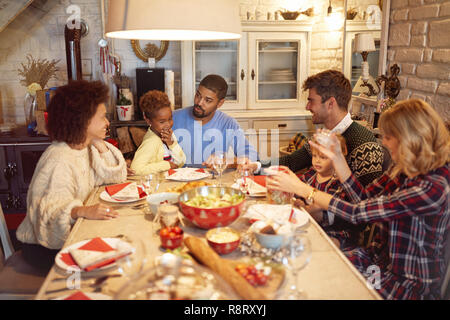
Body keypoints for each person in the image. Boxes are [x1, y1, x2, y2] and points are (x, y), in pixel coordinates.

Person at [266, 99, 450, 299]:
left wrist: (303, 189)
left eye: (388, 136)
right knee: (308, 264)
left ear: (411, 139)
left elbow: (357, 214)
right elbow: (362, 199)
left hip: (405, 283)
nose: (385, 143)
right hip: (376, 262)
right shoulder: (404, 169)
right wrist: (337, 158)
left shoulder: (433, 187)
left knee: (322, 287)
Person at [16, 80, 128, 272]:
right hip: (43, 247)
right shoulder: (59, 159)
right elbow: (47, 214)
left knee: (121, 238)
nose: (107, 123)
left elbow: (116, 177)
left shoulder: (83, 146)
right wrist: (81, 211)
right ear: (83, 120)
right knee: (118, 259)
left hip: (69, 234)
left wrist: (100, 145)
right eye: (102, 117)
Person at [250, 69, 384, 187]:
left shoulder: (365, 146)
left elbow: (366, 203)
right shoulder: (325, 135)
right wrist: (255, 166)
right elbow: (291, 162)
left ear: (331, 103)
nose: (307, 107)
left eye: (311, 100)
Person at [172, 74, 259, 169]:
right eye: (198, 95)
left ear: (220, 103)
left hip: (213, 181)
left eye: (208, 100)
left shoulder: (228, 123)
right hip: (178, 181)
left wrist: (226, 160)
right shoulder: (173, 117)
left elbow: (251, 157)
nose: (199, 103)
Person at [298, 134, 362, 249]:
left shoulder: (339, 182)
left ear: (337, 158)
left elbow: (328, 210)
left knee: (326, 246)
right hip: (311, 224)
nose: (317, 161)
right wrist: (299, 201)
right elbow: (299, 190)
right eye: (314, 156)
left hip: (337, 231)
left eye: (323, 157)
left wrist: (308, 208)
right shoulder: (311, 174)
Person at [130, 90, 185, 175]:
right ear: (148, 121)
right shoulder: (151, 142)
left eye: (170, 119)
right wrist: (166, 165)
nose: (168, 125)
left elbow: (181, 162)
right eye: (162, 122)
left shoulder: (168, 134)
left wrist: (172, 144)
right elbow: (135, 169)